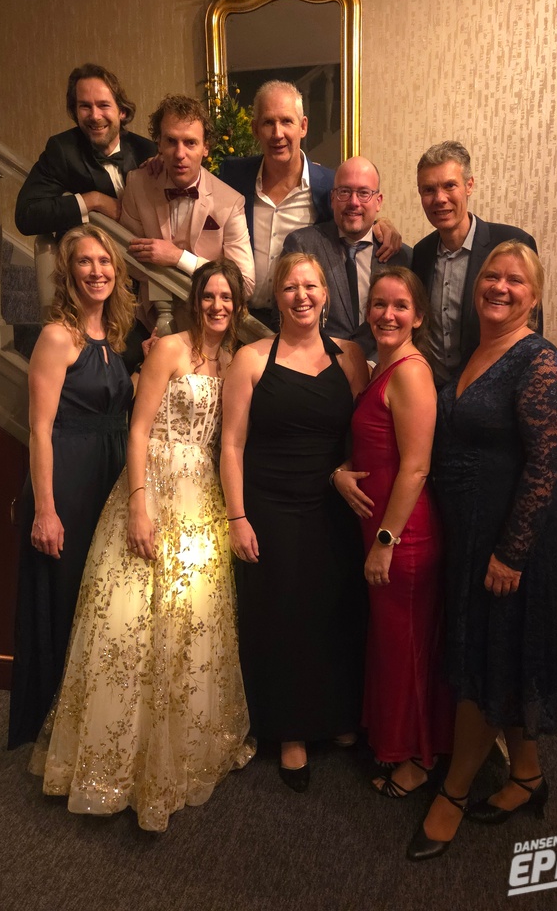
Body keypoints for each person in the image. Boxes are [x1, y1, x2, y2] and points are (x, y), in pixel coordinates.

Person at [31, 260, 255, 831]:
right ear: (195, 300)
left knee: (189, 624)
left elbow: (228, 444)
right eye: (209, 295)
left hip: (201, 499)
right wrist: (138, 502)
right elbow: (137, 429)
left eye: (227, 298)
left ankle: (179, 753)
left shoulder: (234, 362)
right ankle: (114, 765)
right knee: (127, 623)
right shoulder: (170, 350)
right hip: (152, 486)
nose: (217, 306)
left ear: (237, 306)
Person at [407, 242, 557, 862]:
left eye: (515, 281)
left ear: (535, 295)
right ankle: (526, 776)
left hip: (509, 538)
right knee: (501, 651)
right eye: (492, 277)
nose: (500, 287)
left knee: (484, 657)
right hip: (472, 531)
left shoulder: (540, 360)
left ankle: (452, 794)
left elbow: (546, 467)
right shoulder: (479, 349)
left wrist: (512, 553)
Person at [220, 252, 369, 791]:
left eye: (311, 287)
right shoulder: (251, 359)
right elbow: (231, 445)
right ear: (276, 297)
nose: (301, 296)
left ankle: (335, 713)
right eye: (290, 287)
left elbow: (361, 431)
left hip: (331, 502)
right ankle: (290, 731)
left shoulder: (350, 356)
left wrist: (348, 471)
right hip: (270, 504)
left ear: (325, 295)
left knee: (332, 607)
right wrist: (237, 516)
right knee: (282, 613)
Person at [8, 226, 135, 749]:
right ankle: (53, 726)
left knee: (96, 600)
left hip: (108, 476)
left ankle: (87, 720)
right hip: (69, 481)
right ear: (68, 273)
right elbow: (39, 429)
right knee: (64, 600)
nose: (97, 271)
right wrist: (45, 509)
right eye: (85, 262)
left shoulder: (114, 336)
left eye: (104, 261)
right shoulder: (57, 336)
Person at [332, 268, 453, 797]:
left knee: (407, 651)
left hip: (403, 538)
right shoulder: (381, 365)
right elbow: (374, 446)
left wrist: (386, 542)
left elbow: (417, 467)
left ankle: (419, 759)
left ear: (418, 316)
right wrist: (341, 472)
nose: (387, 314)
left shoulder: (411, 372)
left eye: (400, 306)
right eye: (379, 304)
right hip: (381, 529)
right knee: (392, 644)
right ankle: (399, 740)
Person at [218, 80, 401, 325]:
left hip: (298, 319)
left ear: (303, 126)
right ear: (254, 129)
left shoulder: (327, 185)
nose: (277, 134)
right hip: (239, 317)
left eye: (287, 121)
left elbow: (351, 217)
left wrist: (381, 223)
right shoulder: (233, 176)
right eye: (268, 122)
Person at [411, 141, 540, 386]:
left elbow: (532, 330)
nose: (439, 198)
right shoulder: (420, 253)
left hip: (494, 394)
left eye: (449, 185)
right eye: (428, 190)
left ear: (469, 185)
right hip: (435, 394)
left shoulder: (512, 244)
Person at [120, 95, 256, 301]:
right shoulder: (137, 184)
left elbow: (244, 284)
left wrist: (179, 258)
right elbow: (125, 258)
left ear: (205, 148)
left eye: (190, 143)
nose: (179, 154)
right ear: (159, 143)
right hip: (151, 313)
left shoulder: (230, 201)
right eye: (171, 141)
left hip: (210, 315)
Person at [282, 157, 412, 360]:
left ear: (378, 201)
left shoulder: (401, 256)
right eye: (344, 192)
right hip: (316, 367)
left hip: (382, 368)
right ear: (332, 198)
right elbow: (282, 317)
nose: (354, 202)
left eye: (364, 193)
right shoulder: (302, 244)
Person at [15, 63, 156, 239]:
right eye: (85, 106)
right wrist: (93, 200)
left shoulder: (147, 149)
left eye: (103, 105)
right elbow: (27, 215)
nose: (95, 116)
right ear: (75, 111)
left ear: (122, 111)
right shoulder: (62, 150)